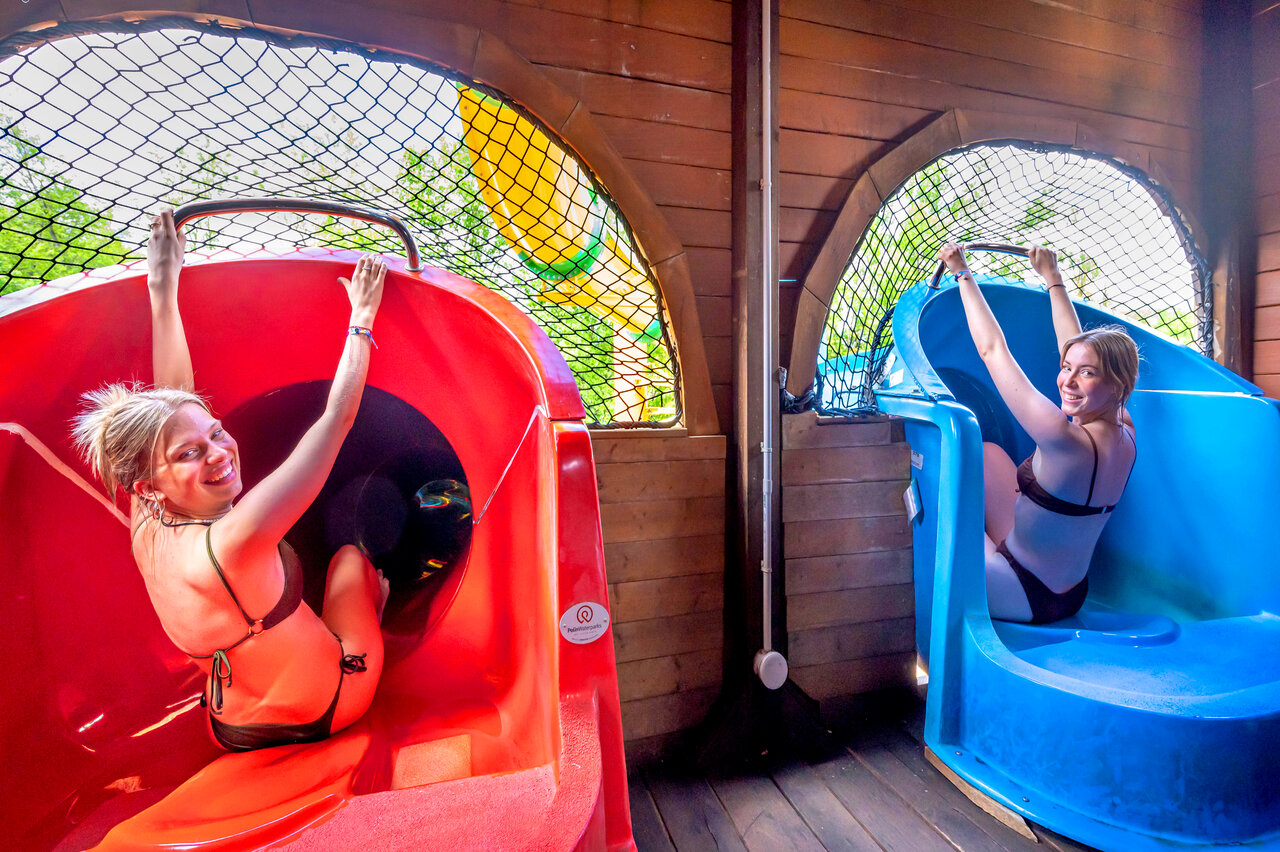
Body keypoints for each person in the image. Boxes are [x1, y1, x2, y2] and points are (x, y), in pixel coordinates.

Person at [72, 209, 391, 750]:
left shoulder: (146, 516)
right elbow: (335, 422)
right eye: (193, 453)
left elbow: (174, 398)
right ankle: (377, 604)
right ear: (152, 481)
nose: (220, 454)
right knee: (350, 561)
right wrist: (361, 318)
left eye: (217, 433)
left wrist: (162, 288)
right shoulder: (234, 539)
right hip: (332, 704)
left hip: (230, 728)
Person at [940, 243, 1138, 623]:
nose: (1069, 381)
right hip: (1072, 591)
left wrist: (961, 271)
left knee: (942, 512)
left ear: (1114, 385)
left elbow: (992, 350)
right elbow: (1076, 344)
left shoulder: (1061, 438)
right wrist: (1053, 279)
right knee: (990, 454)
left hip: (1020, 591)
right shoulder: (1125, 429)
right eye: (1067, 368)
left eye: (1087, 373)